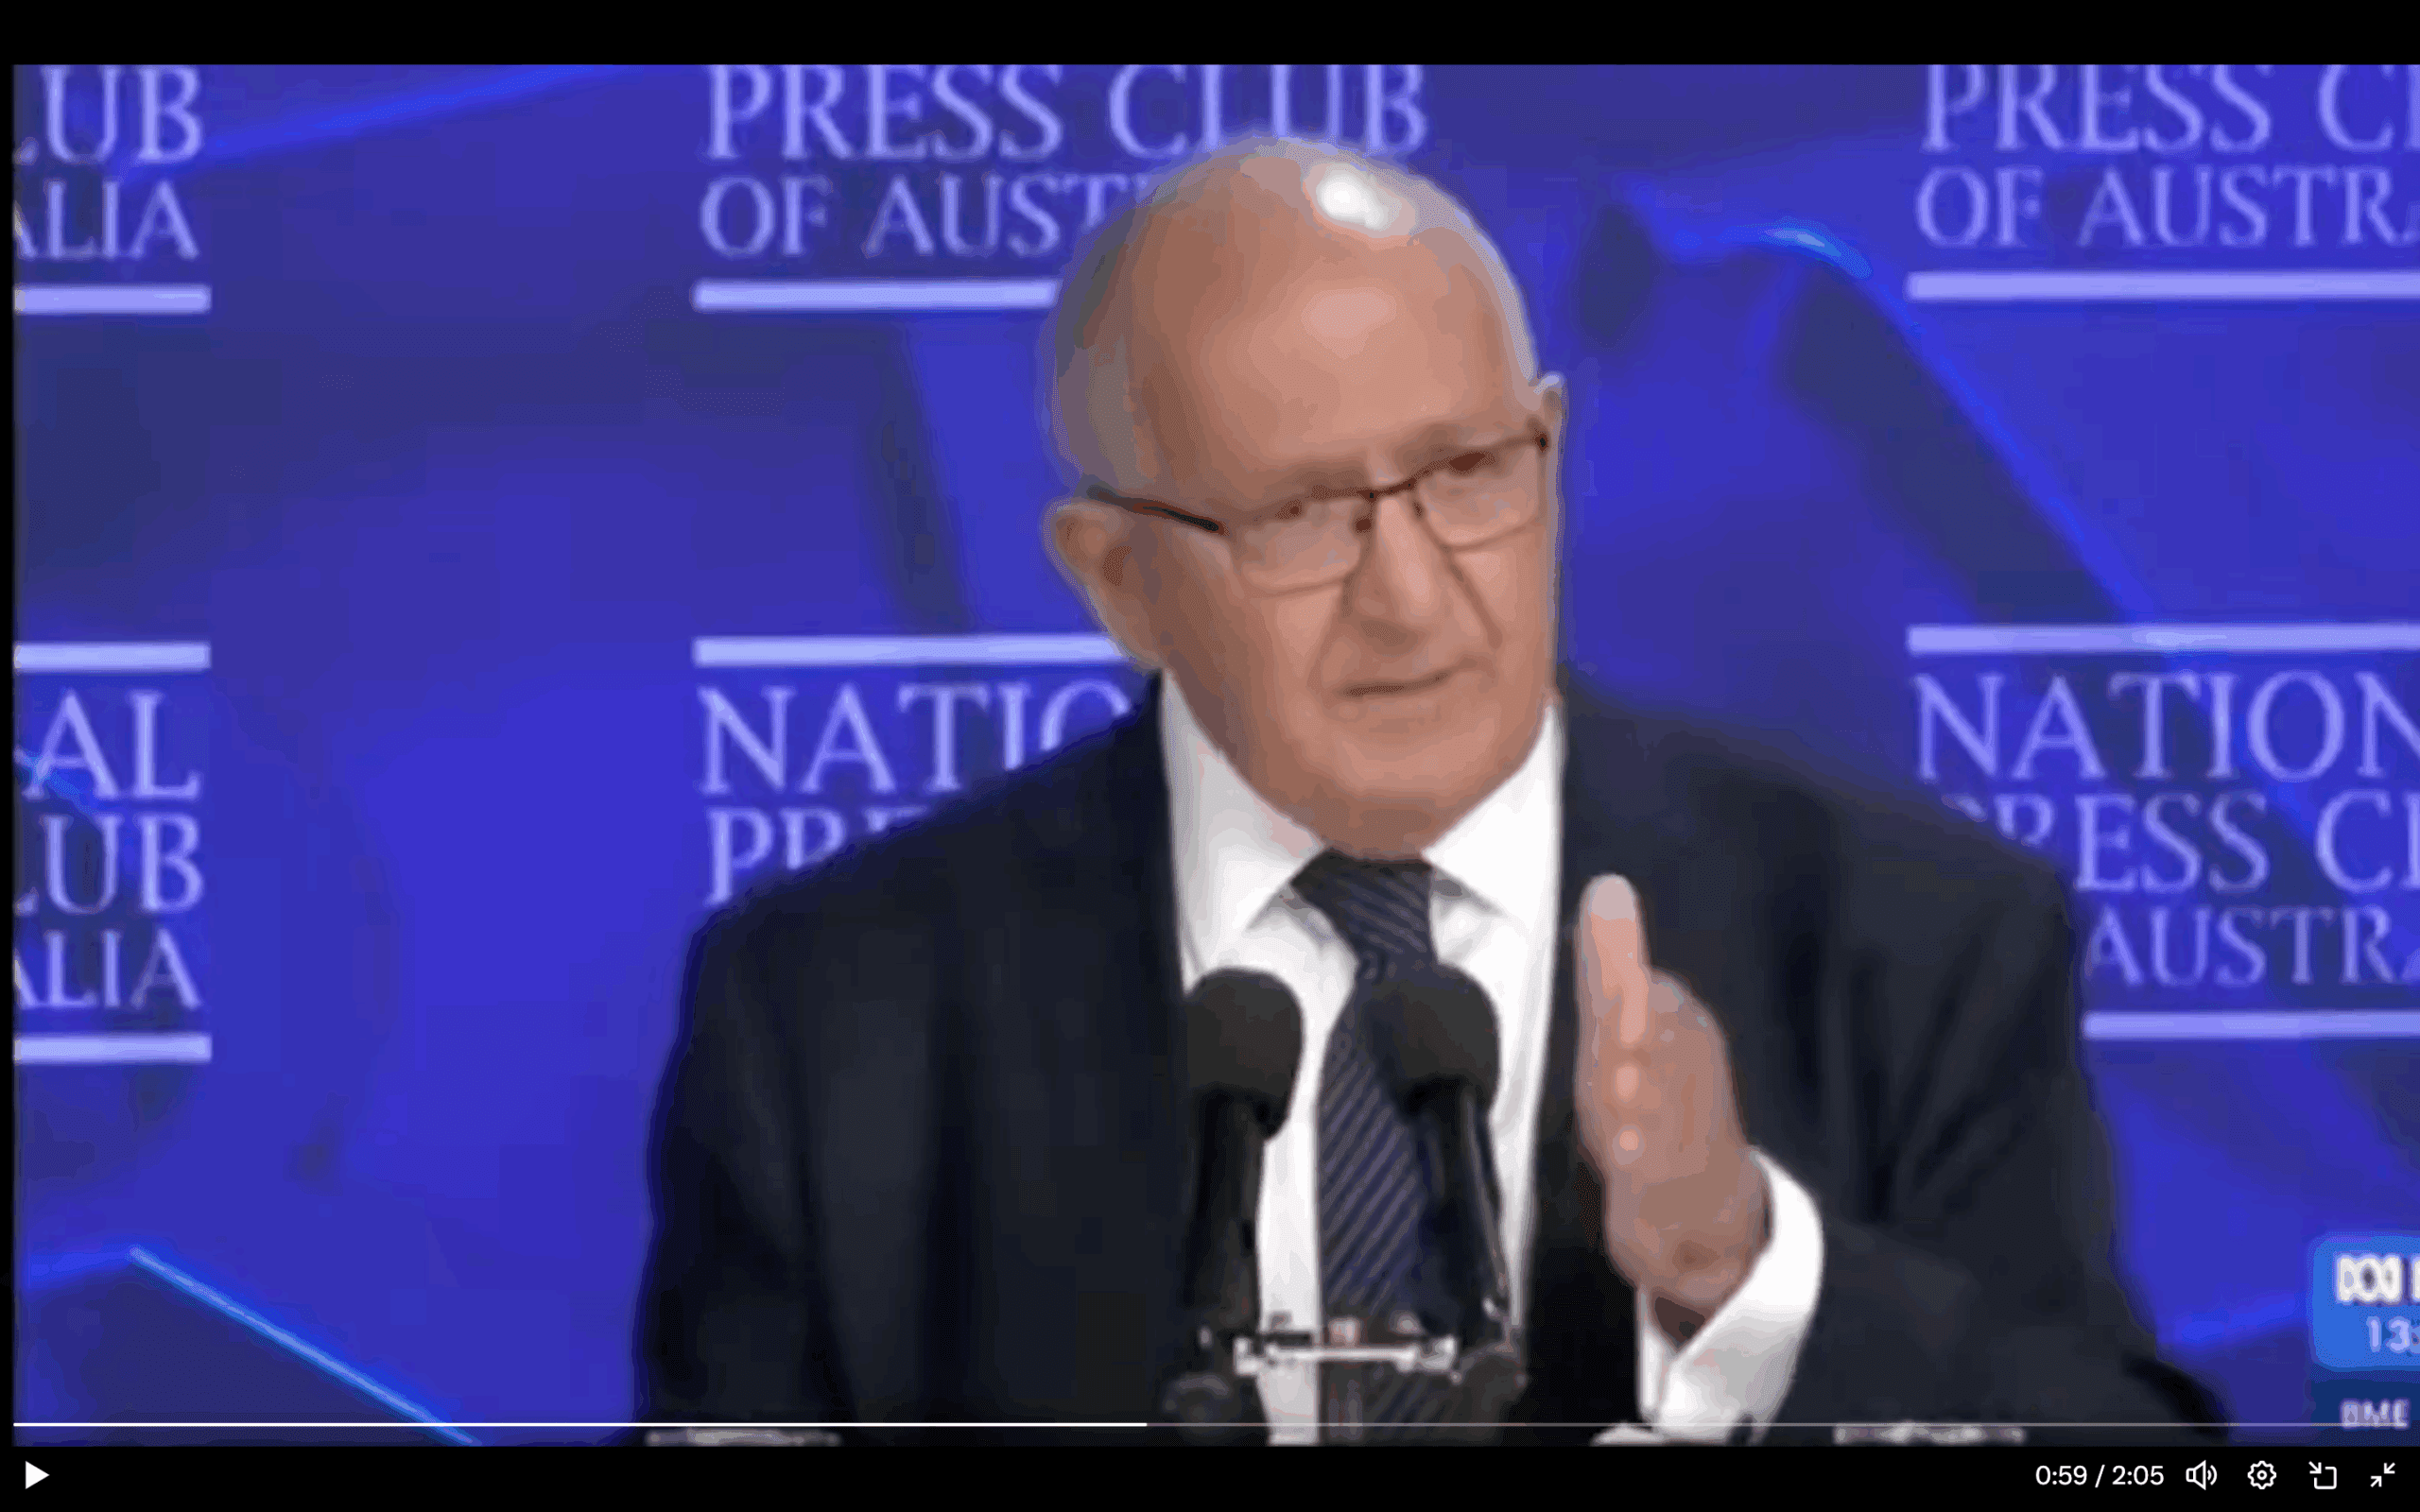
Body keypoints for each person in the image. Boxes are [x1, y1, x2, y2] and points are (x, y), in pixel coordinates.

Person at [632, 135, 2226, 1446]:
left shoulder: (1912, 942)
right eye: (1301, 516)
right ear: (1117, 577)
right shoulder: (833, 1021)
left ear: (1549, 449)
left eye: (1468, 475)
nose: (1412, 597)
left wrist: (1750, 1268)